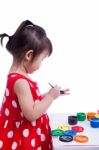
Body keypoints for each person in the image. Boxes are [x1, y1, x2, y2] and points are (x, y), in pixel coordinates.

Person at [0, 20, 70, 150]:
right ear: (29, 55)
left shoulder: (17, 76)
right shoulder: (20, 81)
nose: (41, 64)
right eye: (42, 59)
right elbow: (31, 114)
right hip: (23, 140)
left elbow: (27, 103)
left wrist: (49, 94)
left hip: (23, 134)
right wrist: (50, 98)